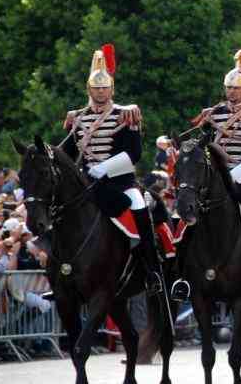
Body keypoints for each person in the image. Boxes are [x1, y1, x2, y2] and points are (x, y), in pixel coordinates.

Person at [172, 44, 241, 303]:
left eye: (236, 88)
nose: (231, 92)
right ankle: (181, 277)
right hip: (212, 182)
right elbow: (202, 148)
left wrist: (229, 178)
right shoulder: (213, 115)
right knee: (182, 216)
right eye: (229, 87)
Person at [62, 44, 162, 295]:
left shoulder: (125, 115)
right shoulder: (78, 118)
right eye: (96, 88)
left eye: (104, 88)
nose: (100, 92)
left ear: (112, 89)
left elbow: (134, 154)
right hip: (88, 184)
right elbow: (70, 153)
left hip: (121, 183)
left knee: (140, 210)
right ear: (89, 90)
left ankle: (152, 271)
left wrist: (104, 167)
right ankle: (60, 274)